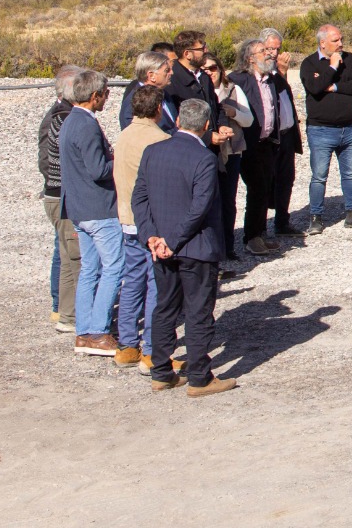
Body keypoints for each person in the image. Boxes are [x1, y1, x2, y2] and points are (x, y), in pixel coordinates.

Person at [133, 98, 235, 397]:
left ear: (177, 121)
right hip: (195, 246)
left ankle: (161, 372)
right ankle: (199, 378)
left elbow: (138, 198)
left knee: (165, 307)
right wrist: (170, 240)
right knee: (198, 311)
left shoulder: (153, 151)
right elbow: (200, 207)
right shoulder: (203, 158)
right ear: (206, 126)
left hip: (162, 247)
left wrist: (151, 236)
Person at [60, 69, 121, 357]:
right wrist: (119, 162)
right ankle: (98, 331)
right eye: (106, 95)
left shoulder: (71, 120)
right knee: (114, 267)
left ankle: (85, 331)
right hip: (98, 207)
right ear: (95, 96)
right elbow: (98, 170)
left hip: (80, 208)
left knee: (90, 270)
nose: (106, 99)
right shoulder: (85, 124)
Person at [112, 84, 170, 370]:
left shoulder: (124, 135)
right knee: (155, 285)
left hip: (127, 220)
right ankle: (150, 348)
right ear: (158, 109)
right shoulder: (158, 138)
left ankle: (126, 346)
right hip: (150, 223)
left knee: (132, 280)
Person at [300, 24, 352, 233]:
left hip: (349, 129)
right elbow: (315, 88)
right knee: (319, 175)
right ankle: (316, 217)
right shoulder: (309, 64)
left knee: (349, 174)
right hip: (321, 130)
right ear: (322, 43)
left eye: (341, 39)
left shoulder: (351, 59)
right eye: (336, 41)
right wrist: (332, 68)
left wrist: (335, 86)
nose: (341, 44)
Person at [38, 65, 83, 335]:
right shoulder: (63, 118)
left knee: (66, 256)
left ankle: (65, 312)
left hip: (57, 194)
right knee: (73, 257)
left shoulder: (61, 115)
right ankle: (72, 314)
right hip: (61, 195)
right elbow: (50, 163)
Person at [229, 39, 284, 255]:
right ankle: (251, 237)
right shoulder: (239, 80)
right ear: (250, 58)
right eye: (263, 51)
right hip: (248, 145)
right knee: (256, 189)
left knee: (265, 188)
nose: (269, 54)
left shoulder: (270, 79)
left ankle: (260, 233)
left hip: (267, 142)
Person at [202, 53, 254, 261]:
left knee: (228, 200)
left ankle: (228, 245)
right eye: (205, 69)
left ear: (221, 69)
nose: (209, 72)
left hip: (232, 151)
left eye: (213, 68)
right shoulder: (200, 90)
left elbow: (248, 119)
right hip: (209, 152)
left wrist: (233, 114)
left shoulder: (233, 89)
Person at [261, 29, 303, 238]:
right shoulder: (259, 73)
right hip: (269, 137)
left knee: (286, 178)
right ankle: (258, 229)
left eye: (277, 48)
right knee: (265, 182)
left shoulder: (277, 71)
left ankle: (282, 222)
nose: (274, 53)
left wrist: (283, 72)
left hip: (286, 134)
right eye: (270, 48)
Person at [118, 50, 175, 132]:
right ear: (151, 76)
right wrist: (179, 131)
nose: (171, 73)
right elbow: (141, 137)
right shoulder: (134, 103)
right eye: (167, 70)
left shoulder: (163, 93)